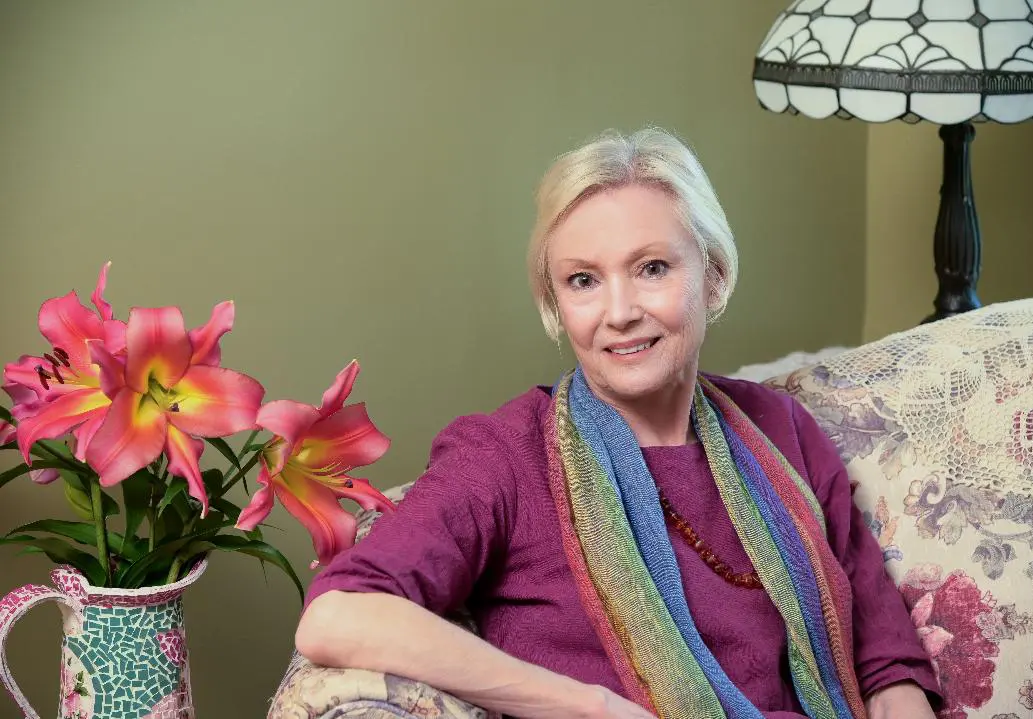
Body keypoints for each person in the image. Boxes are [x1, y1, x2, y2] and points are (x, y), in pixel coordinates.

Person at [295, 128, 941, 719]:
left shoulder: (781, 428)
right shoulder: (503, 454)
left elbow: (888, 661)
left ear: (712, 278)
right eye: (583, 280)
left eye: (652, 268)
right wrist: (594, 706)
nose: (620, 311)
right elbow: (337, 616)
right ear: (556, 304)